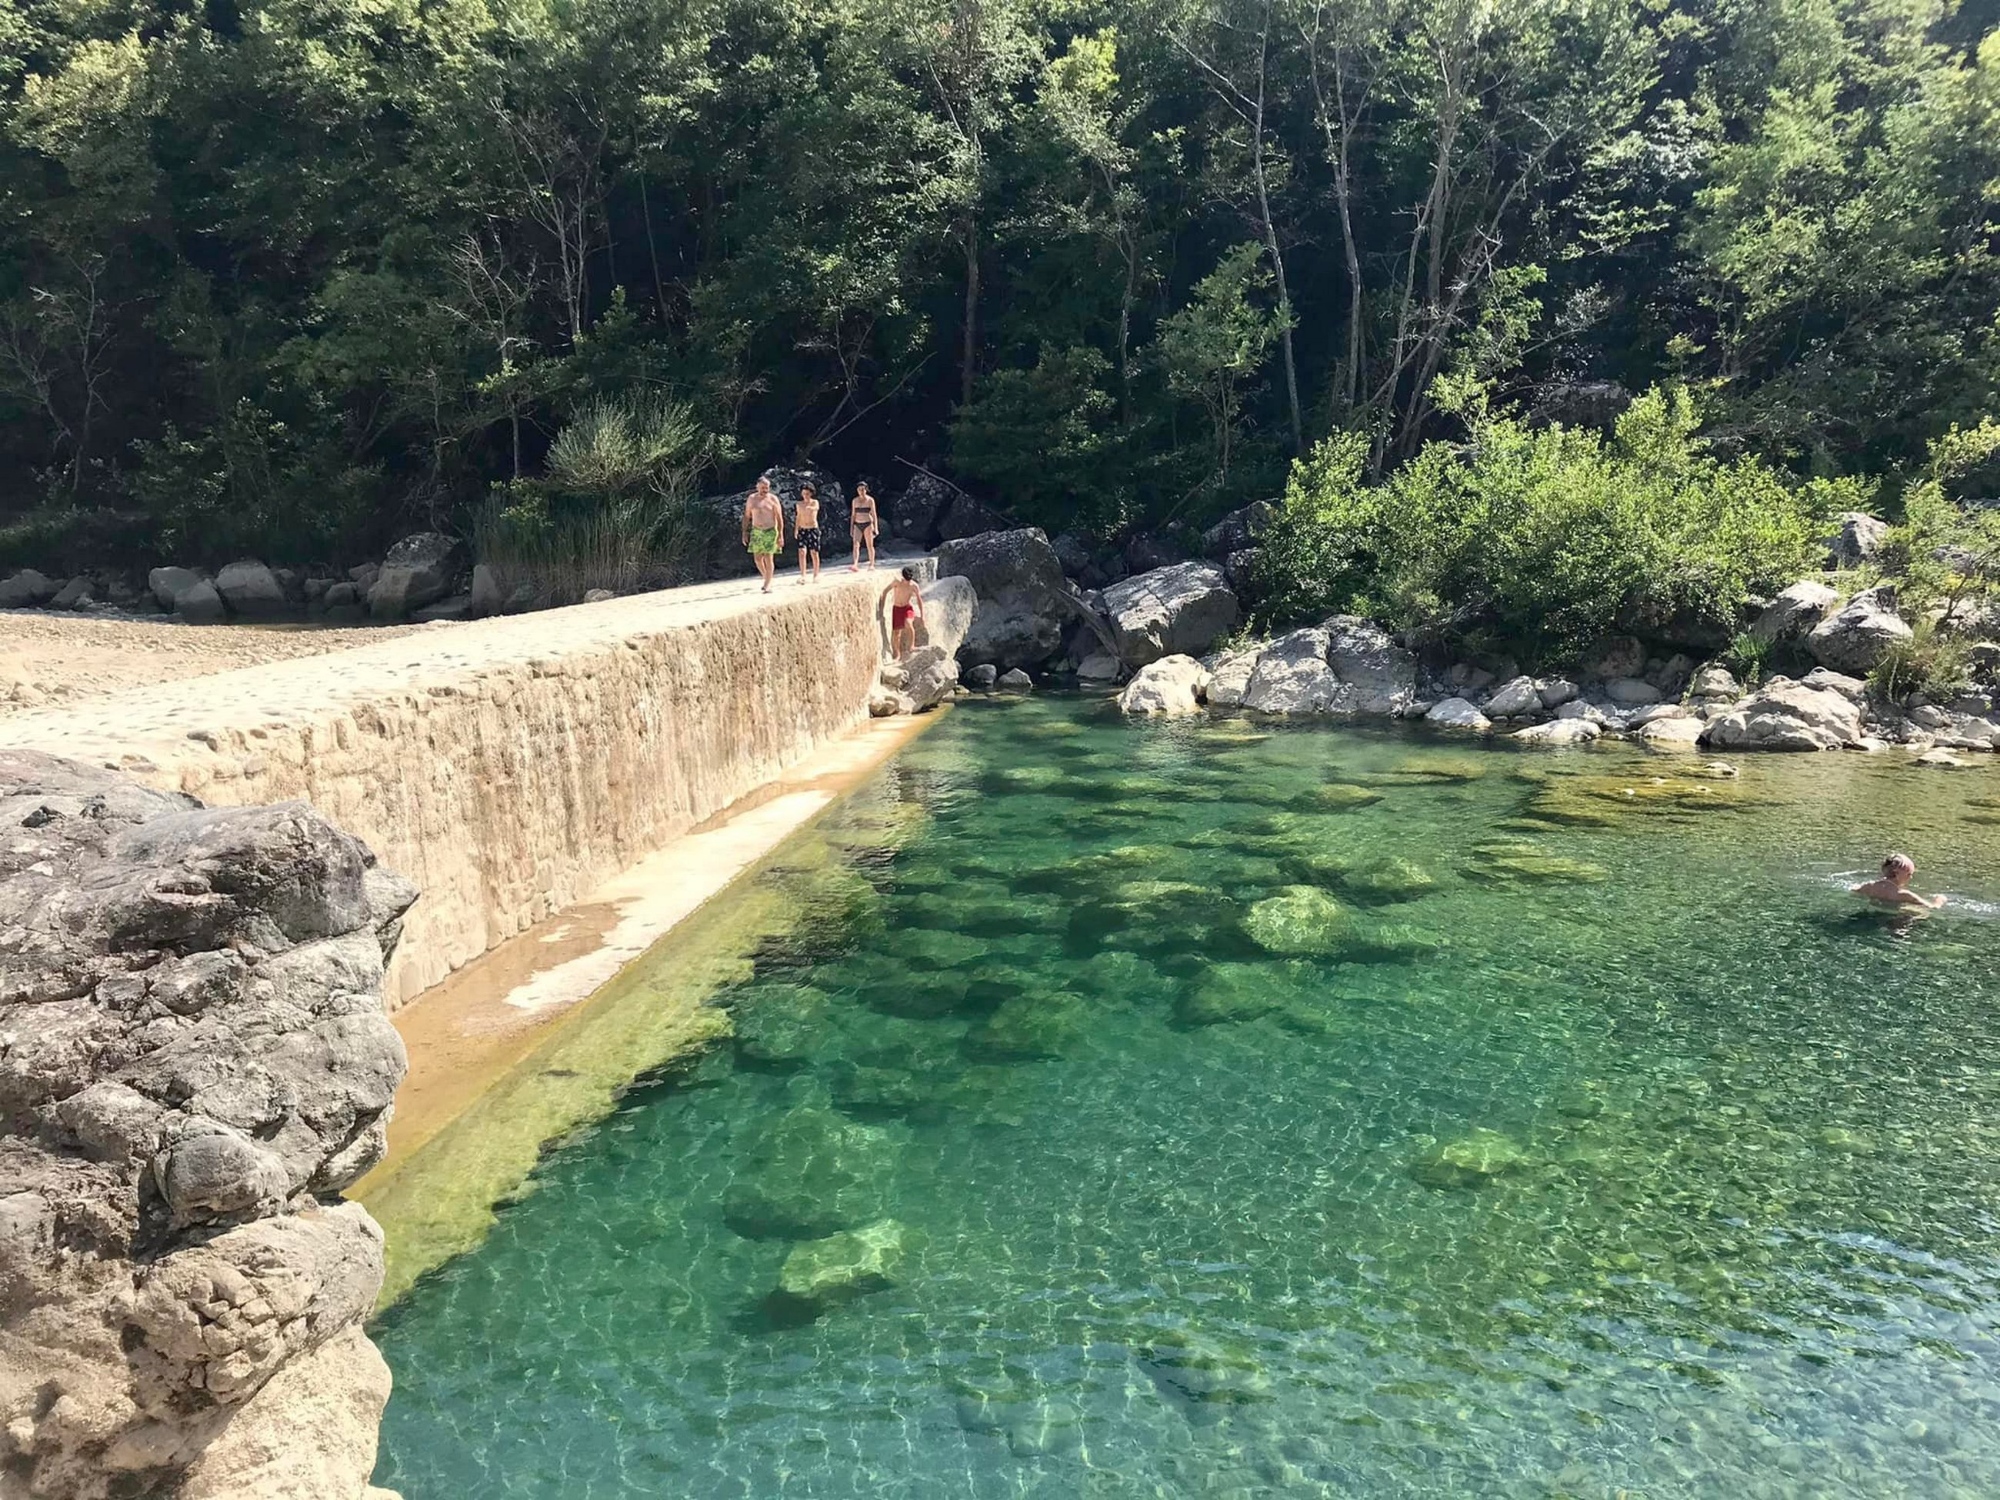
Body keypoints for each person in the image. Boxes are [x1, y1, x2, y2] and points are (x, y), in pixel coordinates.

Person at [1852, 853, 1946, 911]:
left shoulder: (1869, 887)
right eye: (1909, 874)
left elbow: (1853, 889)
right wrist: (1939, 900)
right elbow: (1932, 908)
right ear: (1898, 874)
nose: (1911, 877)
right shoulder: (1904, 895)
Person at [741, 476, 785, 593]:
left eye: (767, 488)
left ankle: (767, 583)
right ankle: (767, 577)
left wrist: (780, 535)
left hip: (770, 530)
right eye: (762, 487)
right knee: (758, 559)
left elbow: (779, 518)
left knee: (768, 557)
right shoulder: (751, 499)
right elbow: (747, 516)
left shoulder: (773, 499)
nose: (765, 490)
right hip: (756, 531)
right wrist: (744, 532)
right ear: (757, 486)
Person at [879, 567, 924, 659]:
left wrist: (923, 615)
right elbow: (885, 592)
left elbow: (919, 600)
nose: (907, 582)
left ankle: (912, 646)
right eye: (906, 580)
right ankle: (897, 653)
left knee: (908, 623)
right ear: (903, 577)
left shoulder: (914, 586)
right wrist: (881, 608)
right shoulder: (897, 582)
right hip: (897, 609)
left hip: (907, 608)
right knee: (896, 633)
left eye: (909, 580)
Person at [794, 484, 822, 586]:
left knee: (814, 552)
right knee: (802, 551)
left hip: (813, 529)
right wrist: (796, 529)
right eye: (804, 493)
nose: (805, 495)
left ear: (811, 493)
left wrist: (808, 506)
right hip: (802, 529)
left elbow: (814, 509)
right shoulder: (799, 504)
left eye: (807, 493)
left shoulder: (815, 502)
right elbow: (798, 517)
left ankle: (816, 574)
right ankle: (803, 575)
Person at [849, 481, 879, 571]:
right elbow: (853, 515)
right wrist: (851, 528)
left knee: (869, 545)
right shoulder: (854, 501)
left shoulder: (870, 500)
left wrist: (876, 527)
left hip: (868, 524)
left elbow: (874, 514)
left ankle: (871, 564)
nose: (861, 491)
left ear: (866, 490)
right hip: (857, 524)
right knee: (856, 544)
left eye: (863, 489)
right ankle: (855, 564)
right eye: (859, 489)